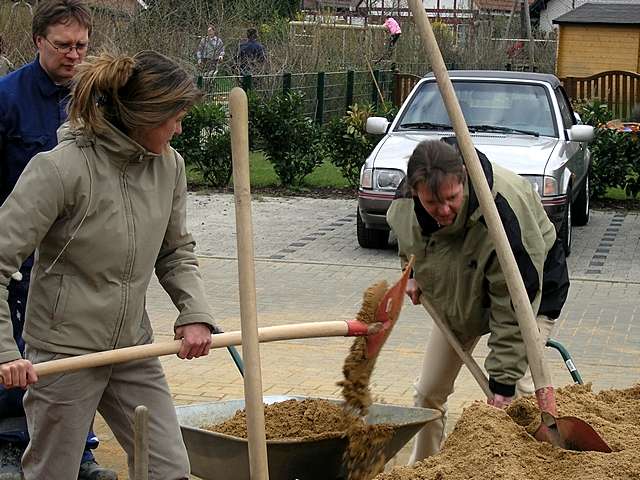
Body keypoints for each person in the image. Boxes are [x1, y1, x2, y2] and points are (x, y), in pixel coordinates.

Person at [0, 48, 219, 479]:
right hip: (65, 353)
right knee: (53, 472)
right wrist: (6, 350)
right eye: (171, 117)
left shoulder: (169, 166)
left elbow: (175, 251)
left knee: (169, 469)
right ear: (140, 115)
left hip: (132, 347)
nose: (178, 127)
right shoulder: (61, 170)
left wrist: (195, 313)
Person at [386, 138, 569, 463]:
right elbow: (408, 237)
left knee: (520, 397)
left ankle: (535, 467)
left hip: (529, 288)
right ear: (416, 193)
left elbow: (513, 306)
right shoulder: (408, 201)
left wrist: (502, 382)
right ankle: (424, 468)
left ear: (463, 180)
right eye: (432, 202)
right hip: (464, 284)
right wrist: (410, 273)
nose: (443, 210)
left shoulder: (501, 214)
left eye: (452, 199)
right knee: (428, 391)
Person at [0, 1, 117, 479]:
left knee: (78, 355)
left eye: (82, 46)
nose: (74, 55)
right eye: (64, 45)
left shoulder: (102, 98)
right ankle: (13, 444)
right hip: (19, 249)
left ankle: (79, 453)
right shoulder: (8, 98)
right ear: (38, 43)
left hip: (78, 252)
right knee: (18, 355)